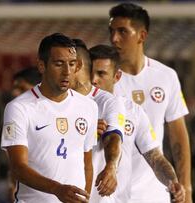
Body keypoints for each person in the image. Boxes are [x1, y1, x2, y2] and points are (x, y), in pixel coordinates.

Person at [1, 33, 98, 203]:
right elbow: (18, 168)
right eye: (59, 64)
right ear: (41, 66)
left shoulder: (88, 106)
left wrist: (84, 199)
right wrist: (56, 189)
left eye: (72, 64)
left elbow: (87, 164)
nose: (67, 72)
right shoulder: (19, 108)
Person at [89, 44, 186, 203]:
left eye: (101, 74)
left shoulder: (133, 112)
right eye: (90, 73)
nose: (94, 80)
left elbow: (155, 157)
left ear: (117, 77)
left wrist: (172, 181)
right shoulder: (76, 108)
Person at [71, 39, 126, 200]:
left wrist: (111, 167)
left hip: (96, 196)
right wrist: (86, 132)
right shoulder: (53, 101)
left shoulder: (107, 101)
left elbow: (113, 138)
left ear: (78, 65)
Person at [8, 66, 41, 202]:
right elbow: (13, 161)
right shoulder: (13, 116)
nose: (15, 93)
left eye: (22, 88)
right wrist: (12, 185)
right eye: (14, 88)